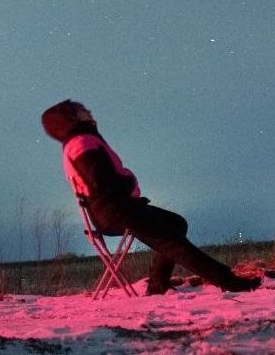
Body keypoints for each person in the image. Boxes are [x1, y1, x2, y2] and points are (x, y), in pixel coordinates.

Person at [41, 99, 260, 295]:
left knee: (175, 223)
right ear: (69, 118)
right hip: (116, 211)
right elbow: (102, 181)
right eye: (80, 109)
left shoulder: (81, 140)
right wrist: (129, 179)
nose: (87, 111)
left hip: (116, 209)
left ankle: (158, 286)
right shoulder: (81, 143)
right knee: (171, 241)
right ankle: (228, 281)